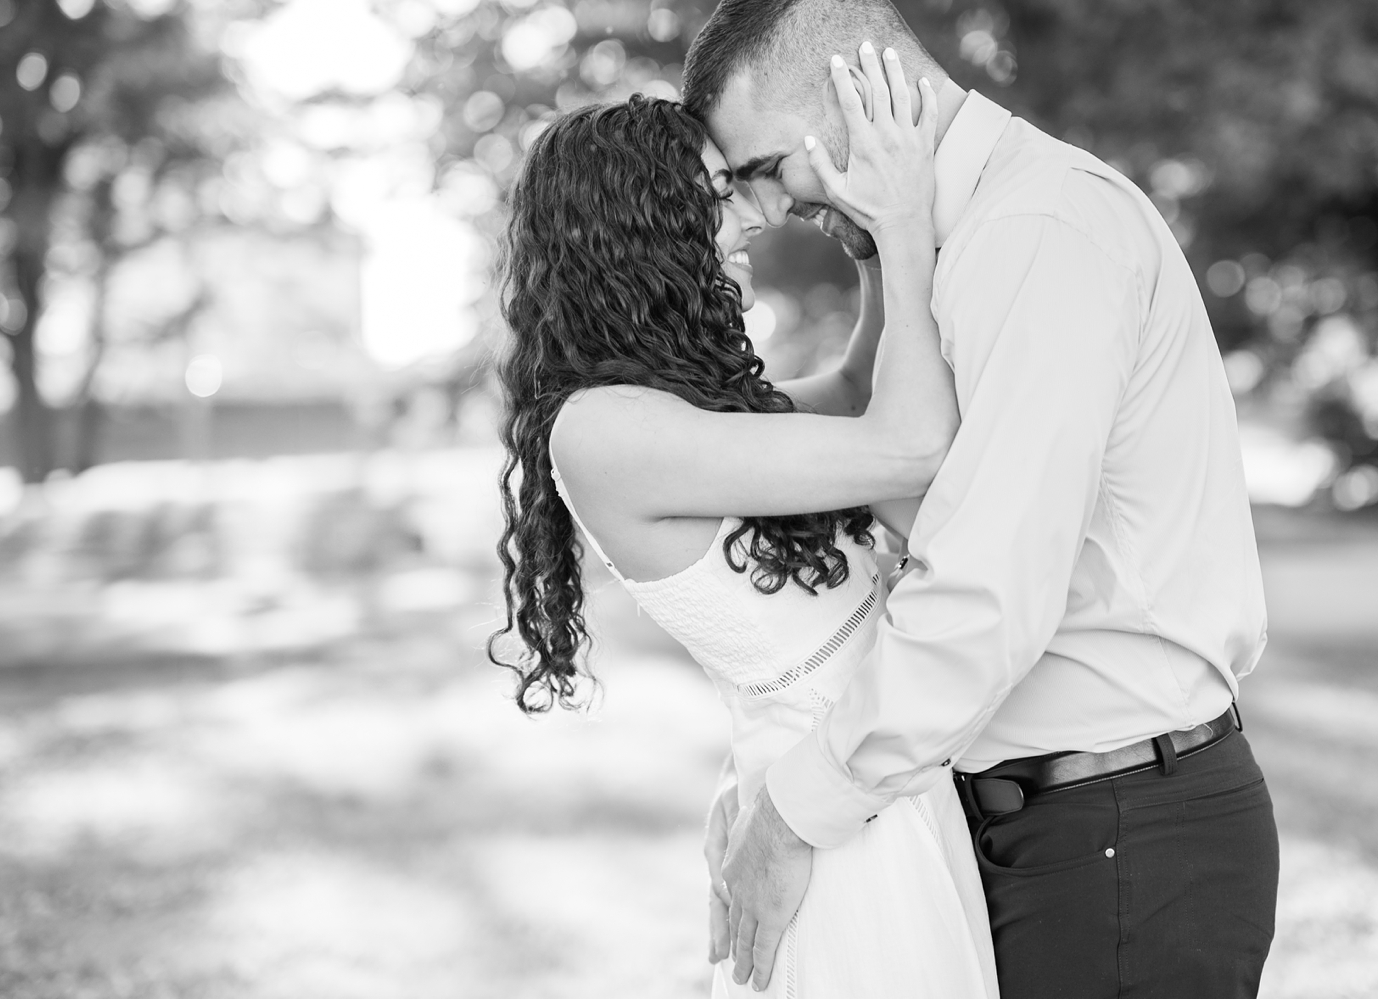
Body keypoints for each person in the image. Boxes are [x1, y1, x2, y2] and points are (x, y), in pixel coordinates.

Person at [680, 1, 1280, 997]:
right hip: (1046, 825)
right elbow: (884, 491)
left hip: (1120, 829)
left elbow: (988, 589)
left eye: (760, 170)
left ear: (856, 95)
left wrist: (796, 816)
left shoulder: (1036, 231)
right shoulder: (941, 250)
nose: (770, 213)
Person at [489, 71, 1001, 996]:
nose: (748, 221)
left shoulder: (681, 411)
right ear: (638, 230)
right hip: (833, 827)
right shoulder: (603, 429)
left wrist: (872, 256)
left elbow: (854, 398)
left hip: (866, 786)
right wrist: (903, 222)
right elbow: (911, 446)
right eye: (716, 197)